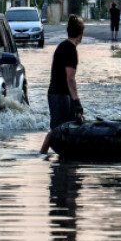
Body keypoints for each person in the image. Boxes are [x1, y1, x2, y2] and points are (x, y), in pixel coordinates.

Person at [40, 15, 86, 154]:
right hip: (59, 95)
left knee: (66, 128)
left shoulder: (63, 46)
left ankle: (61, 158)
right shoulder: (70, 50)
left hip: (60, 94)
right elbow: (70, 78)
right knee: (57, 131)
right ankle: (42, 155)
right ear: (81, 33)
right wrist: (77, 103)